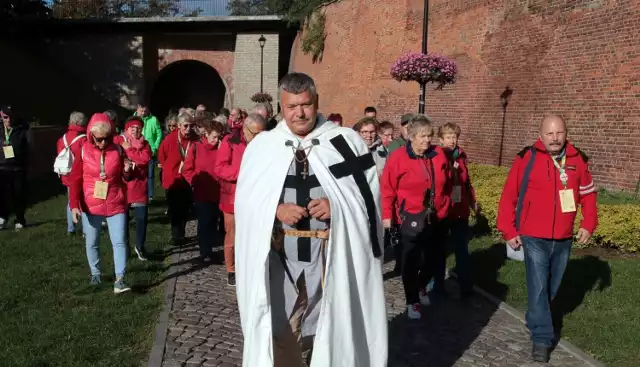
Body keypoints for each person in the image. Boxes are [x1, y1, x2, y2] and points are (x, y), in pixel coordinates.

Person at [235, 72, 387, 366]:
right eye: (291, 107)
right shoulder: (264, 146)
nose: (299, 113)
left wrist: (337, 206)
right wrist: (276, 210)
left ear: (316, 102)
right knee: (280, 331)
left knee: (330, 328)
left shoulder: (346, 142)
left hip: (331, 255)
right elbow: (246, 203)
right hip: (281, 257)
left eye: (305, 104)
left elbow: (369, 200)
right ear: (282, 107)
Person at [497, 115, 598, 363]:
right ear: (540, 135)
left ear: (566, 133)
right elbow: (510, 194)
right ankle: (542, 339)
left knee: (551, 287)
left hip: (563, 236)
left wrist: (588, 223)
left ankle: (534, 319)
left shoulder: (577, 160)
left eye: (559, 133)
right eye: (550, 133)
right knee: (540, 285)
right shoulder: (527, 158)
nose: (555, 138)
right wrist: (508, 229)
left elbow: (588, 194)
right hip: (533, 235)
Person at [381, 114, 451, 319]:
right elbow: (387, 189)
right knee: (411, 261)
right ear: (411, 136)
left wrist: (447, 205)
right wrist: (388, 215)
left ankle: (421, 286)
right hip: (410, 216)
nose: (427, 140)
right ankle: (412, 300)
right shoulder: (398, 158)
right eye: (422, 136)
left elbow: (447, 181)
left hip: (437, 215)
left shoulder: (439, 154)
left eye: (429, 135)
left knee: (434, 258)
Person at [68, 113, 134, 293]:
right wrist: (74, 205)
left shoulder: (118, 150)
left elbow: (126, 175)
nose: (103, 143)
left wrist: (128, 171)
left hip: (115, 201)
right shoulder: (82, 150)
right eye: (98, 140)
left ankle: (120, 278)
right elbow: (75, 179)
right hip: (91, 202)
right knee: (92, 241)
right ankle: (95, 273)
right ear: (91, 136)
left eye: (106, 138)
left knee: (119, 241)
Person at [215, 113, 267, 286]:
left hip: (255, 197)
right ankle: (231, 269)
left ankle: (249, 266)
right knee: (233, 234)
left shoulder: (262, 144)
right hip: (232, 196)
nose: (257, 138)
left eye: (261, 134)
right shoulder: (230, 142)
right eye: (254, 133)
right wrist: (242, 173)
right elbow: (220, 168)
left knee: (253, 235)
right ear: (245, 129)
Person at [439, 122, 479, 298]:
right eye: (448, 137)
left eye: (454, 136)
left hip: (460, 209)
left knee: (461, 248)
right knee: (439, 249)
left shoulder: (461, 156)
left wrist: (472, 201)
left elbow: (466, 181)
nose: (452, 140)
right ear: (441, 139)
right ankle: (436, 284)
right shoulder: (437, 156)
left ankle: (465, 285)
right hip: (444, 210)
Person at [182, 118, 224, 261]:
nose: (216, 140)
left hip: (217, 191)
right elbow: (187, 170)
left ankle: (209, 248)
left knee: (213, 221)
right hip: (201, 191)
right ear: (206, 134)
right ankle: (204, 251)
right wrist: (195, 182)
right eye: (214, 137)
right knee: (205, 221)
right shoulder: (196, 147)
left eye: (219, 137)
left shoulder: (221, 148)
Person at [115, 116, 153, 261]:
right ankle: (124, 247)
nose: (136, 131)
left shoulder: (145, 144)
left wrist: (129, 149)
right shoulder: (118, 142)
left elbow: (145, 159)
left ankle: (140, 246)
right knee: (122, 220)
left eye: (138, 128)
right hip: (123, 187)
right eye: (133, 128)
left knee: (142, 218)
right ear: (127, 129)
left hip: (139, 186)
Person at [157, 112, 197, 246]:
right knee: (174, 209)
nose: (188, 129)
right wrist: (168, 169)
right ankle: (175, 235)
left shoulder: (195, 140)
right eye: (185, 126)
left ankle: (182, 232)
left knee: (185, 208)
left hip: (187, 179)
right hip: (172, 179)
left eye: (191, 126)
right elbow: (162, 155)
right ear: (179, 126)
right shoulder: (170, 139)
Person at [56, 111, 88, 235]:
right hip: (81, 174)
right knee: (83, 202)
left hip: (66, 174)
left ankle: (71, 228)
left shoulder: (61, 139)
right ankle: (86, 230)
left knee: (71, 201)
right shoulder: (83, 139)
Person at [0, 105, 31, 230]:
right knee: (2, 194)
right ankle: (2, 216)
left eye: (11, 117)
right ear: (1, 115)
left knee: (18, 194)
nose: (9, 120)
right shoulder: (0, 129)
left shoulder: (23, 128)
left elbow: (30, 146)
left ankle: (20, 219)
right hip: (2, 167)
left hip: (18, 167)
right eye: (6, 117)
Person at [135, 102, 163, 201]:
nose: (143, 112)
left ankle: (150, 195)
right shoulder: (132, 120)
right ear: (137, 109)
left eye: (145, 110)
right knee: (137, 174)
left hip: (150, 151)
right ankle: (137, 193)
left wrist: (155, 147)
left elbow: (159, 134)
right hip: (135, 151)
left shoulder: (153, 119)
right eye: (141, 110)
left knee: (150, 174)